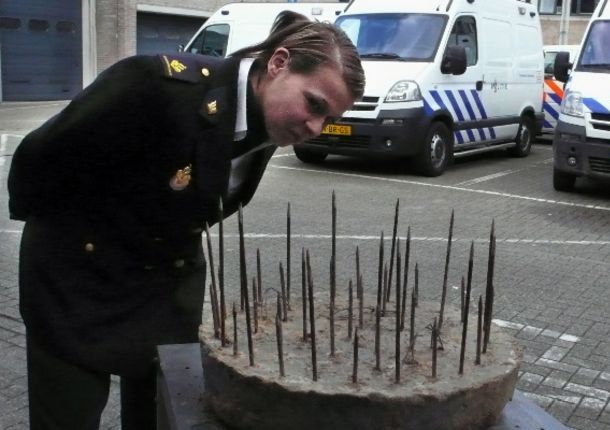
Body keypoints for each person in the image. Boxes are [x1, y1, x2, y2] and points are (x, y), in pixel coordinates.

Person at [7, 11, 364, 430]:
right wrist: (79, 232)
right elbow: (38, 161)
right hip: (77, 288)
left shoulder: (269, 119)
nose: (316, 127)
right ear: (279, 63)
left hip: (163, 296)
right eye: (314, 105)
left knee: (164, 419)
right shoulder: (155, 86)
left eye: (329, 119)